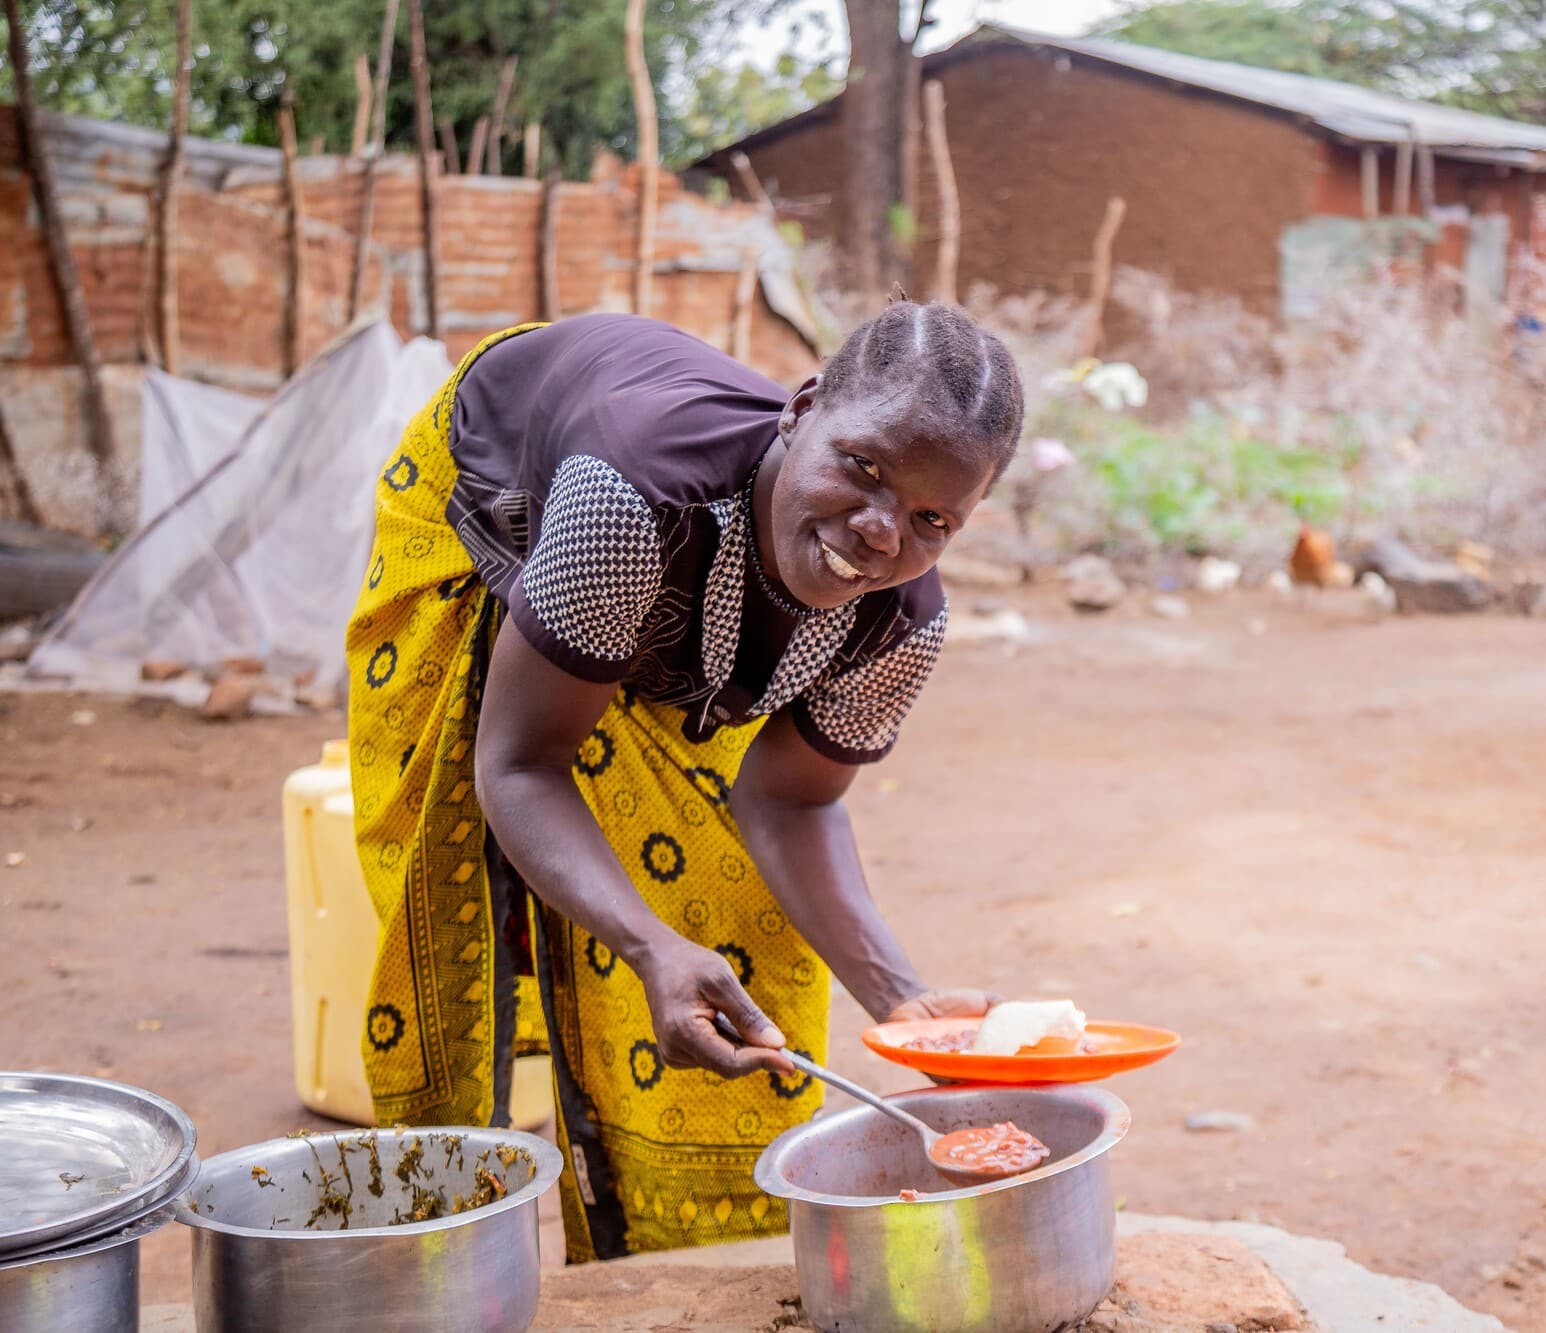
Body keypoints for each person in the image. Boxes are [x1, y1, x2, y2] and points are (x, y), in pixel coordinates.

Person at [346, 303, 1025, 1262]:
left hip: (667, 579)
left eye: (931, 519)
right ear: (802, 409)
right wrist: (646, 942)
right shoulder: (630, 503)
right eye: (864, 468)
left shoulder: (904, 621)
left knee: (741, 929)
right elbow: (522, 763)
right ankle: (438, 1258)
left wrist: (902, 1002)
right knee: (459, 888)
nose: (880, 533)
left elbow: (791, 800)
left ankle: (681, 1256)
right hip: (497, 493)